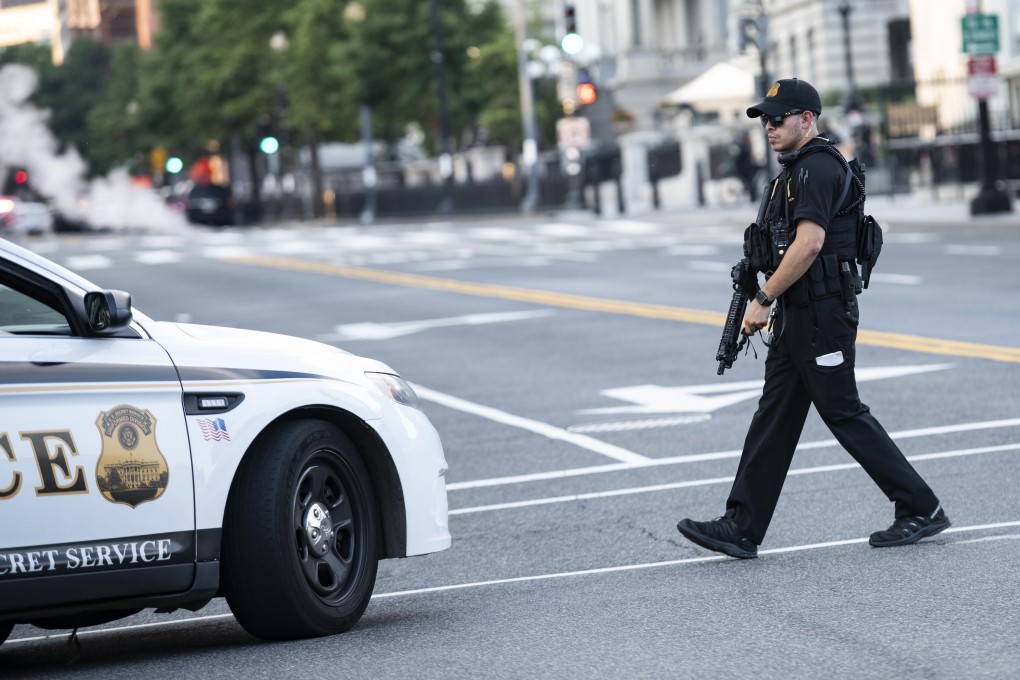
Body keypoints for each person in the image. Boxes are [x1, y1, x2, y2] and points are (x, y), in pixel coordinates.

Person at [676, 78, 949, 559]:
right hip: (801, 312)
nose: (768, 127)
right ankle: (742, 525)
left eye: (777, 118)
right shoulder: (794, 169)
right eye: (764, 119)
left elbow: (810, 243)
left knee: (843, 412)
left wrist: (763, 298)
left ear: (806, 119)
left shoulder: (818, 167)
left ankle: (920, 507)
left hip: (822, 313)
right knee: (775, 415)